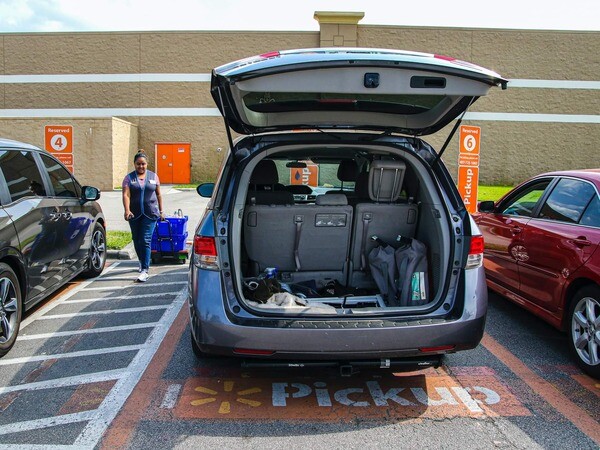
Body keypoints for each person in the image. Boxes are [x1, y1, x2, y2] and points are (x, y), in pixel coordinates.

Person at [122, 150, 165, 282]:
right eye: (138, 164)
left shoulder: (153, 176)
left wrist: (161, 211)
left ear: (147, 164)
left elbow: (158, 194)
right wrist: (127, 210)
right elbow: (126, 195)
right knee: (137, 239)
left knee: (146, 239)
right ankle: (141, 261)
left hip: (150, 213)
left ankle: (145, 270)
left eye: (143, 164)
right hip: (134, 214)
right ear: (134, 164)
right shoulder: (129, 178)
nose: (141, 167)